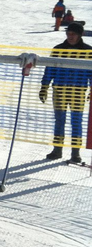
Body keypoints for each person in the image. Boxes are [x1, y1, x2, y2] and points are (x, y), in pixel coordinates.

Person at [39, 21, 92, 164]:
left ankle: (76, 153)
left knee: (76, 122)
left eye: (73, 34)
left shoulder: (88, 51)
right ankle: (57, 150)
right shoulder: (58, 49)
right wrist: (44, 86)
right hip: (60, 90)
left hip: (78, 91)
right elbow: (50, 68)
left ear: (80, 34)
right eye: (68, 34)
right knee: (59, 120)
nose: (70, 36)